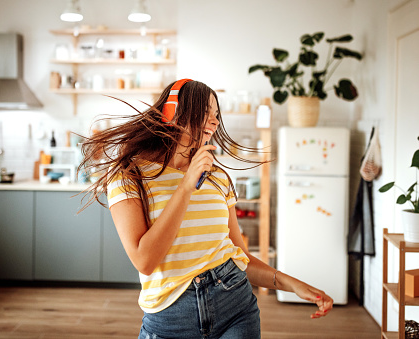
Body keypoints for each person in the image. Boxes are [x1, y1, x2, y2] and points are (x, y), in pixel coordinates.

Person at [78, 79, 333, 339]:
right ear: (172, 112)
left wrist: (292, 284)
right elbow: (144, 261)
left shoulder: (217, 177)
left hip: (236, 308)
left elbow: (241, 257)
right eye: (205, 112)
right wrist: (186, 185)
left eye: (217, 115)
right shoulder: (129, 173)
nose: (214, 121)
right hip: (170, 320)